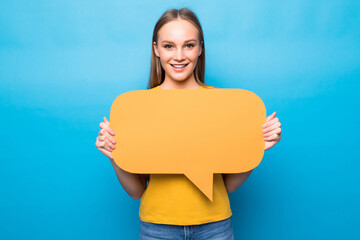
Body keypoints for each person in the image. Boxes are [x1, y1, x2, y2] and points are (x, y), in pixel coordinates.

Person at [95, 8, 282, 240]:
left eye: (189, 45)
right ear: (156, 49)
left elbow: (230, 185)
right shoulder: (139, 109)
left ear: (200, 48)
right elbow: (135, 192)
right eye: (169, 46)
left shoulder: (222, 105)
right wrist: (114, 154)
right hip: (157, 227)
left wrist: (255, 147)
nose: (179, 56)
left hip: (215, 226)